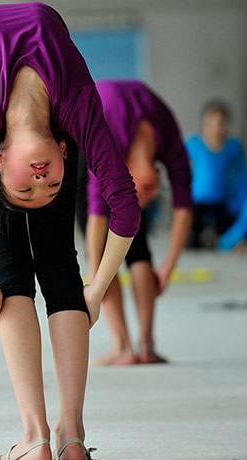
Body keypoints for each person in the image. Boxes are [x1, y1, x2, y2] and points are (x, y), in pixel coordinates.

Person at [0, 4, 140, 460]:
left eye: (51, 184)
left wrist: (98, 289)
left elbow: (126, 208)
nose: (42, 180)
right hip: (10, 99)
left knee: (59, 268)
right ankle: (38, 434)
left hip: (16, 89)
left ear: (65, 151)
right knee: (11, 273)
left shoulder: (58, 124)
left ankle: (69, 432)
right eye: (41, 185)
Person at [87, 80, 192, 366]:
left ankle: (134, 346)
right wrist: (97, 278)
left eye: (145, 195)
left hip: (122, 108)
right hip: (90, 115)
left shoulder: (169, 142)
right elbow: (96, 218)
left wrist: (168, 268)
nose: (144, 198)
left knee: (134, 238)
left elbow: (185, 209)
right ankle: (131, 345)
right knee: (110, 251)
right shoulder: (106, 145)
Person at [186, 100, 247, 249]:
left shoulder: (233, 146)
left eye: (220, 122)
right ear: (204, 122)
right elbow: (180, 172)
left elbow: (240, 178)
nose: (216, 127)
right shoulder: (193, 143)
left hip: (222, 200)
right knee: (192, 243)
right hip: (196, 201)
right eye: (211, 122)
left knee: (227, 230)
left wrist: (239, 203)